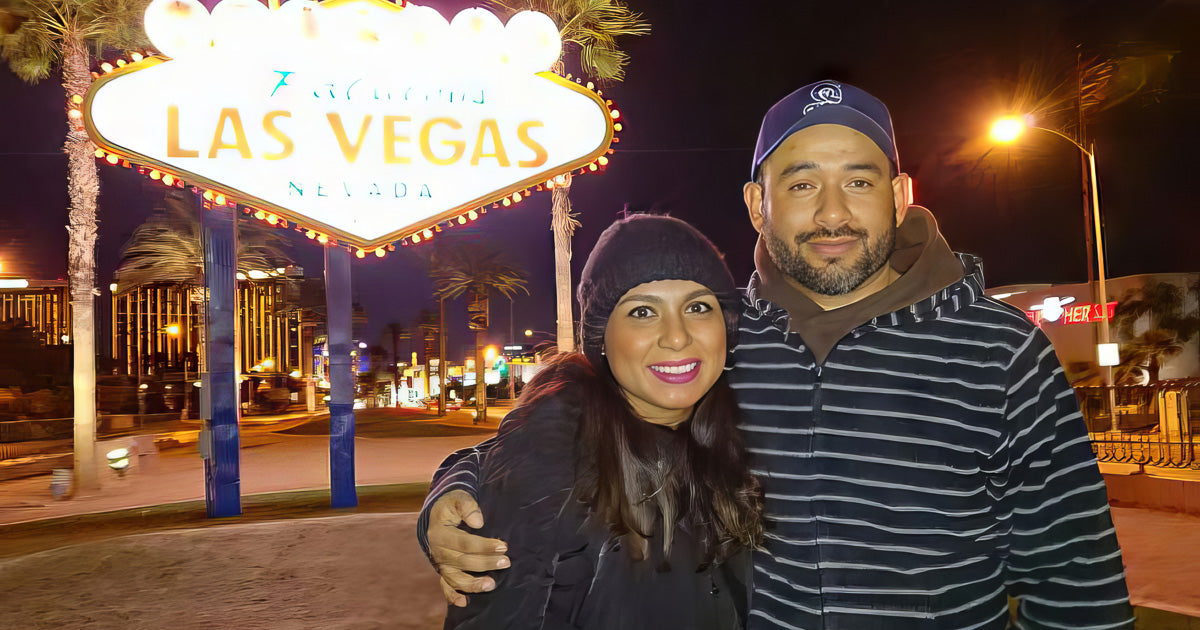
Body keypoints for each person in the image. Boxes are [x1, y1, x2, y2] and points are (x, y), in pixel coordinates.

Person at [420, 80, 1134, 629]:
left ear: (901, 193)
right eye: (801, 185)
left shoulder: (1000, 353)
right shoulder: (716, 341)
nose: (831, 213)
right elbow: (573, 426)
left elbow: (1078, 585)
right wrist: (455, 489)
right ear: (758, 205)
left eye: (858, 180)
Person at [431, 214, 763, 629]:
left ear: (726, 327)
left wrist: (459, 472)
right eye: (643, 311)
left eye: (698, 307)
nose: (677, 337)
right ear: (600, 337)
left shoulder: (743, 435)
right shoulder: (554, 469)